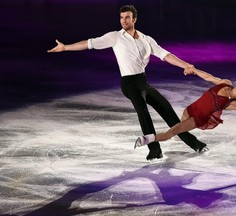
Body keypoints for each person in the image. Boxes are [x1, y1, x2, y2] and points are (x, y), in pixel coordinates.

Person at [47, 5, 207, 161]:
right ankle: (155, 149)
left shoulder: (146, 39)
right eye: (121, 18)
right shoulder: (115, 37)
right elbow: (88, 44)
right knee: (143, 112)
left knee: (166, 109)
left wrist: (186, 65)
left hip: (143, 82)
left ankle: (194, 143)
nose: (123, 21)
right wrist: (65, 47)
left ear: (134, 19)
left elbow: (166, 55)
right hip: (129, 83)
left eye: (127, 17)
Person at [134, 68, 236, 148]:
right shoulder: (225, 83)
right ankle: (187, 141)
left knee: (174, 131)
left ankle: (147, 139)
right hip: (190, 109)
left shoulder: (235, 104)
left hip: (198, 119)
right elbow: (209, 77)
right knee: (179, 132)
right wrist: (193, 70)